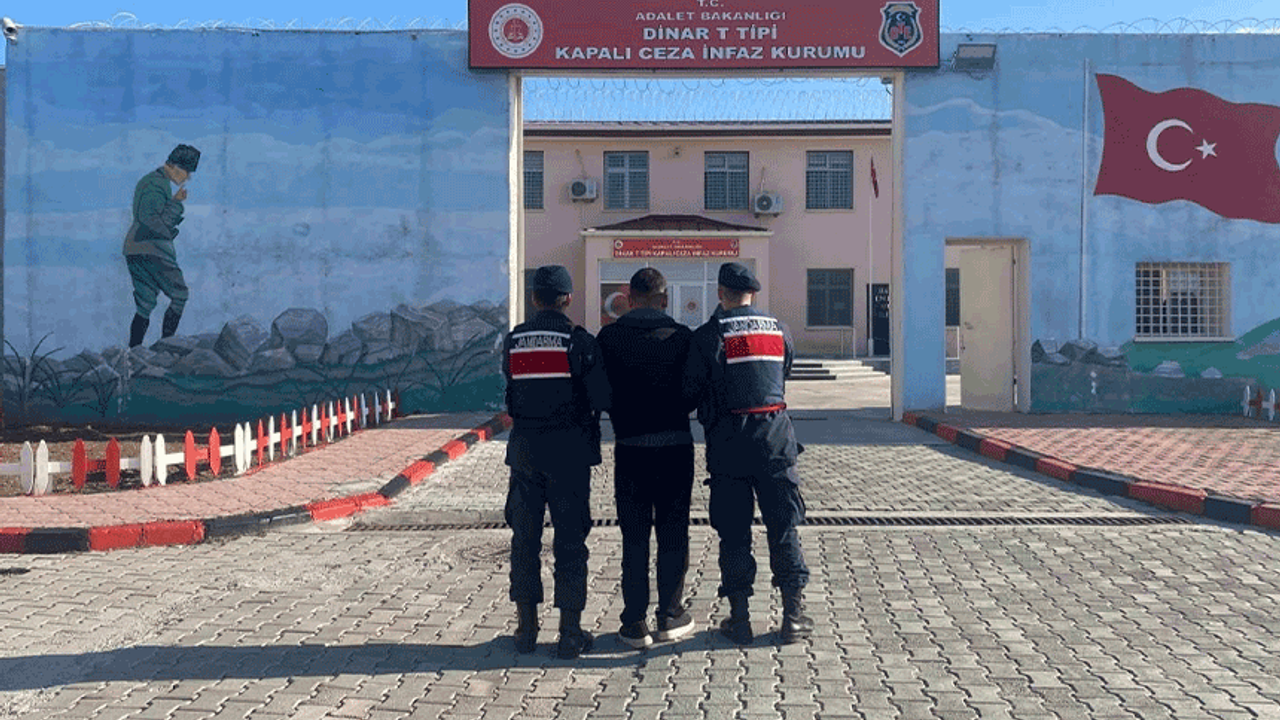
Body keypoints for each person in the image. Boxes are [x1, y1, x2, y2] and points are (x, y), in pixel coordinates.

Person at [683, 262, 814, 645]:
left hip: (729, 447)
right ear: (753, 294)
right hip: (775, 442)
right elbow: (782, 374)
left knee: (734, 533)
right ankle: (793, 617)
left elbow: (692, 389)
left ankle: (740, 619)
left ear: (720, 293)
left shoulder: (710, 335)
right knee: (783, 527)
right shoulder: (779, 329)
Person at [502, 265, 611, 659]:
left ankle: (526, 630)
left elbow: (512, 395)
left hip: (526, 453)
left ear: (535, 299)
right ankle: (569, 633)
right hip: (569, 455)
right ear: (567, 299)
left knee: (524, 541)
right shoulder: (579, 342)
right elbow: (600, 397)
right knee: (570, 542)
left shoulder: (515, 341)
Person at [595, 268, 698, 649]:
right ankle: (670, 616)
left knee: (634, 536)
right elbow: (693, 392)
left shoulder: (609, 338)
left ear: (629, 299)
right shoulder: (683, 338)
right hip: (675, 448)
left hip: (630, 448)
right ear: (665, 300)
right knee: (673, 532)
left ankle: (634, 622)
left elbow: (600, 394)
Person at [123, 144, 201, 348]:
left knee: (145, 302)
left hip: (135, 249)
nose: (187, 178)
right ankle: (167, 346)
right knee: (180, 294)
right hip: (153, 250)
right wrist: (176, 204)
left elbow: (151, 218)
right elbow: (154, 221)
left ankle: (134, 352)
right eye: (187, 172)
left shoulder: (151, 181)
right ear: (175, 166)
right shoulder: (157, 184)